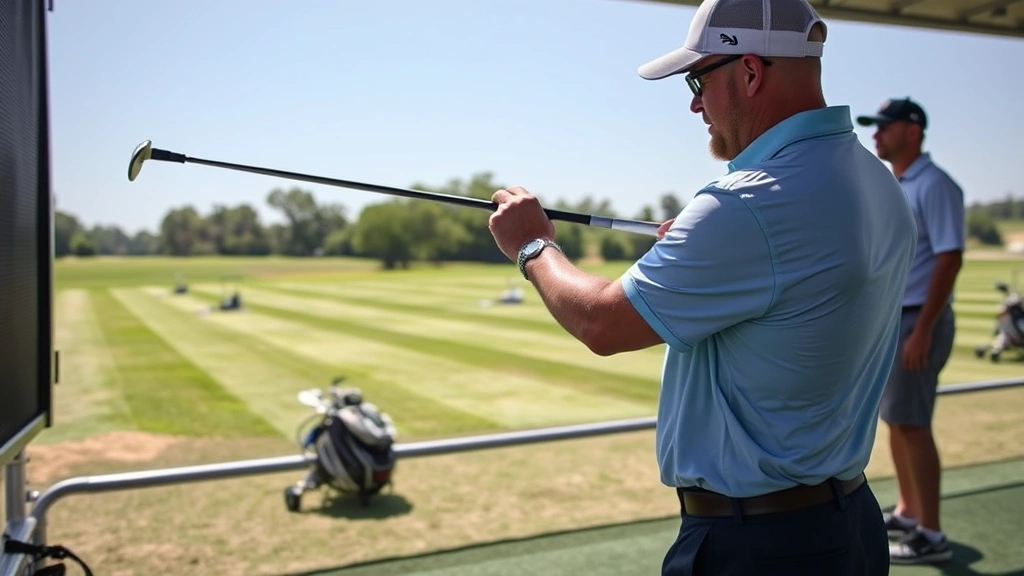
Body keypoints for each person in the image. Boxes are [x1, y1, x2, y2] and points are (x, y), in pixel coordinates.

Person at [486, 0, 917, 573]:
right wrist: (707, 248)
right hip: (849, 525)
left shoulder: (747, 202)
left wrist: (533, 245)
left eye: (698, 79)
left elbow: (601, 322)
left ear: (750, 71)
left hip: (759, 545)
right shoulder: (876, 181)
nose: (694, 103)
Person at [856, 98, 965, 565]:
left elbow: (950, 256)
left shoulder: (935, 185)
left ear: (912, 131)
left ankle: (931, 533)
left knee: (914, 425)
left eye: (885, 126)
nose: (876, 135)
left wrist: (923, 329)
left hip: (919, 319)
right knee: (898, 421)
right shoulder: (899, 183)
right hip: (899, 319)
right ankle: (908, 510)